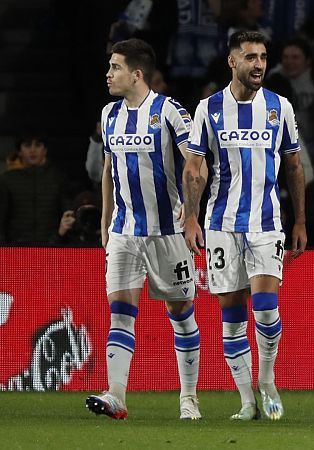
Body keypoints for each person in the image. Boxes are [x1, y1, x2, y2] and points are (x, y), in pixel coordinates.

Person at [182, 30, 307, 421]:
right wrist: (190, 217)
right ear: (232, 61)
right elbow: (195, 166)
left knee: (267, 309)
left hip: (267, 222)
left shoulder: (279, 107)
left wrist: (300, 219)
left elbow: (294, 165)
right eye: (251, 57)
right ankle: (247, 401)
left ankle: (267, 380)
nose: (259, 65)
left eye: (263, 58)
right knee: (232, 313)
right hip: (221, 224)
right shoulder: (208, 109)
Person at [85, 39, 203, 421]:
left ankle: (189, 398)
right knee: (121, 312)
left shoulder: (169, 111)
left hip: (167, 232)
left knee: (180, 310)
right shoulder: (108, 115)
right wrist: (105, 222)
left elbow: (195, 163)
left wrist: (192, 214)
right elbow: (107, 170)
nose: (108, 73)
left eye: (115, 67)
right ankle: (116, 395)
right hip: (124, 231)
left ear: (136, 74)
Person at [0, 134, 67, 245]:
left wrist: (57, 238)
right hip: (16, 248)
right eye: (27, 145)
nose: (32, 150)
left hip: (52, 247)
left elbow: (65, 210)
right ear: (19, 151)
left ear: (45, 150)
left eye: (38, 145)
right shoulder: (7, 180)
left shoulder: (58, 178)